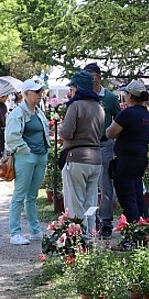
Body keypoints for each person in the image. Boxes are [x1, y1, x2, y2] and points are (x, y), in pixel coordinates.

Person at [3, 77, 51, 244]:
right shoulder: (17, 112)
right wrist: (27, 151)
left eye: (41, 91)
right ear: (26, 93)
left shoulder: (38, 111)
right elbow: (11, 137)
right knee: (19, 195)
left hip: (40, 156)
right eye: (37, 91)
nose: (40, 94)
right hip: (26, 158)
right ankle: (15, 232)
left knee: (32, 196)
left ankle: (35, 230)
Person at [59, 71, 106, 235]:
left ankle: (79, 240)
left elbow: (66, 133)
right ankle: (91, 235)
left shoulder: (75, 106)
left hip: (76, 159)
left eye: (71, 88)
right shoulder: (99, 107)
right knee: (91, 202)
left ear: (77, 88)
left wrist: (60, 129)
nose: (70, 92)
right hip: (96, 159)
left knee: (75, 203)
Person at [106, 79, 149, 224]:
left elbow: (110, 132)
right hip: (140, 158)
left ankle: (134, 231)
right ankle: (145, 225)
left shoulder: (127, 113)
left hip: (126, 160)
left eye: (126, 94)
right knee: (138, 194)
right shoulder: (147, 115)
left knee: (127, 196)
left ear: (130, 96)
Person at [83, 63, 122, 238]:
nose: (88, 80)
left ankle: (106, 221)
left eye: (91, 76)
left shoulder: (109, 98)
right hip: (85, 145)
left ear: (99, 76)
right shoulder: (83, 96)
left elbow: (120, 119)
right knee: (86, 186)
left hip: (105, 144)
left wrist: (114, 138)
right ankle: (88, 221)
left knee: (105, 184)